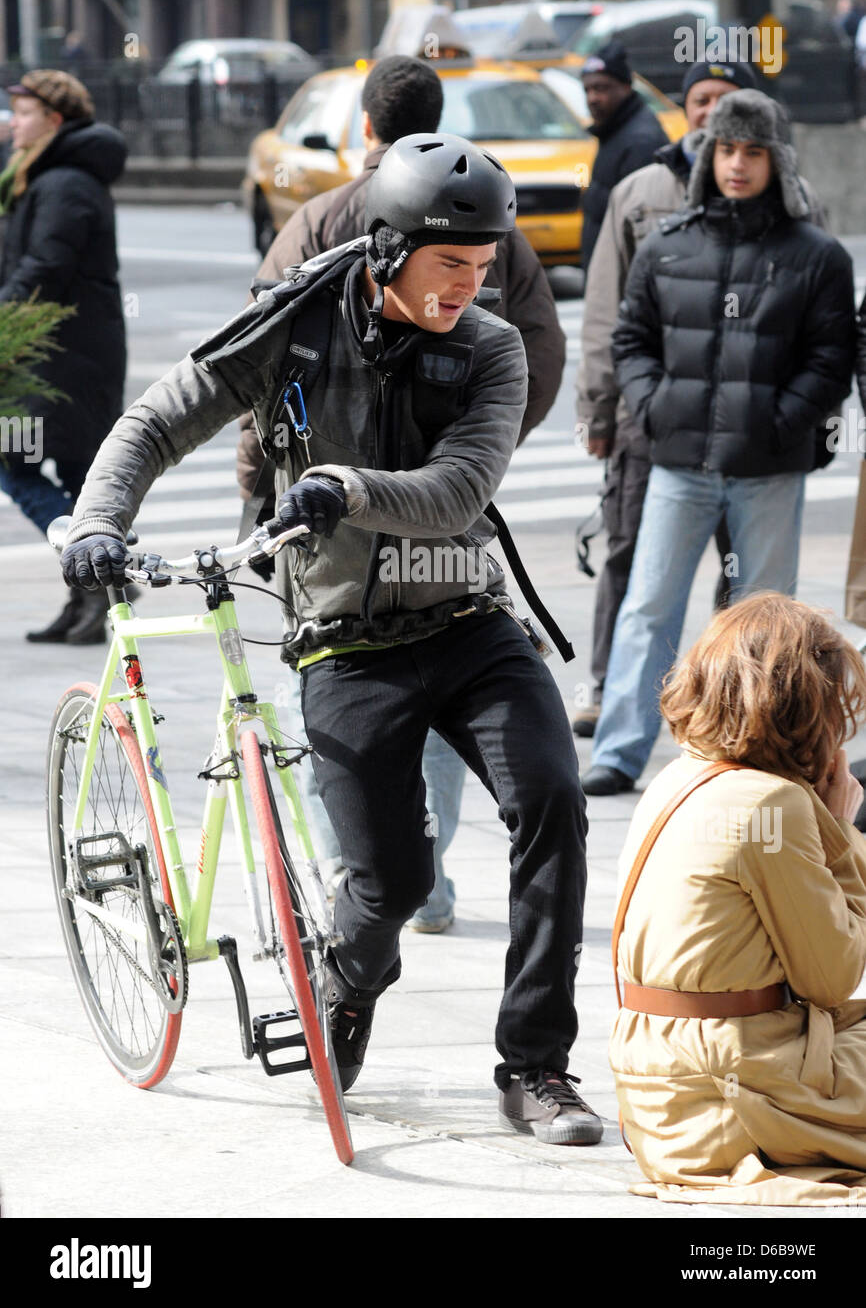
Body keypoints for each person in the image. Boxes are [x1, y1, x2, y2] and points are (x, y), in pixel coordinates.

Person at [60, 132, 603, 1144]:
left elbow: (456, 495)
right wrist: (98, 522)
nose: (468, 288)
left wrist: (345, 487)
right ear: (388, 249)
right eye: (452, 266)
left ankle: (535, 1064)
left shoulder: (488, 348)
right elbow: (151, 423)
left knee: (552, 803)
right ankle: (344, 987)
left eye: (483, 269)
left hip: (469, 622)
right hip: (346, 642)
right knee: (388, 884)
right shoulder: (292, 330)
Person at [239, 53, 567, 934]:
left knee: (356, 720)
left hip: (349, 523)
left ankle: (365, 879)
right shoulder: (481, 216)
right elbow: (542, 339)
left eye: (476, 270)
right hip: (372, 513)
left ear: (366, 131)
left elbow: (262, 386)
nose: (468, 280)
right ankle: (403, 884)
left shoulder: (317, 213)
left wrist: (268, 476)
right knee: (381, 703)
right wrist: (477, 438)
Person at [581, 88, 856, 796]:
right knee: (649, 607)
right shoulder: (669, 245)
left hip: (769, 469)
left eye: (753, 152)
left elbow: (831, 357)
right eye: (727, 149)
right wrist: (653, 408)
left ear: (776, 161)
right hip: (679, 464)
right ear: (710, 155)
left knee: (767, 618)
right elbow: (631, 339)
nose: (737, 164)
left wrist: (780, 421)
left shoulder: (816, 255)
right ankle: (619, 750)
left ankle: (760, 747)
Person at [611, 592, 866, 1206]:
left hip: (666, 1086)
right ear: (805, 706)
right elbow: (834, 976)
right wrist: (842, 835)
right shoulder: (769, 805)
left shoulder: (683, 773)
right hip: (733, 1092)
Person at [0, 69, 127, 644]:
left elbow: (43, 270)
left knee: (18, 461)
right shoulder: (42, 176)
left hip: (64, 357)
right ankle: (90, 585)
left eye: (23, 112)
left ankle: (94, 579)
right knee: (69, 474)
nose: (12, 122)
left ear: (53, 119)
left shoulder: (65, 183)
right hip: (55, 354)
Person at [578, 40, 669, 271]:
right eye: (587, 89)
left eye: (601, 88)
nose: (592, 98)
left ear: (626, 87)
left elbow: (641, 223)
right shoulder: (614, 130)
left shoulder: (641, 141)